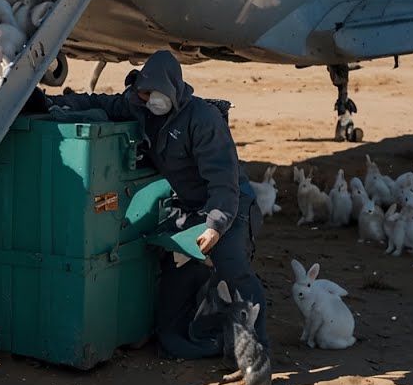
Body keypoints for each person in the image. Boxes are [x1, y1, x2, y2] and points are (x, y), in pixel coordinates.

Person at [24, 49, 268, 359]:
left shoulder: (202, 119)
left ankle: (257, 355)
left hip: (230, 206)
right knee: (175, 285)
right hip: (191, 208)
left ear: (172, 89)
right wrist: (49, 103)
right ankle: (197, 340)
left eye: (154, 92)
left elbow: (224, 182)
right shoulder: (137, 107)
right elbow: (97, 103)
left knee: (234, 270)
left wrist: (215, 226)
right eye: (142, 91)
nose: (148, 98)